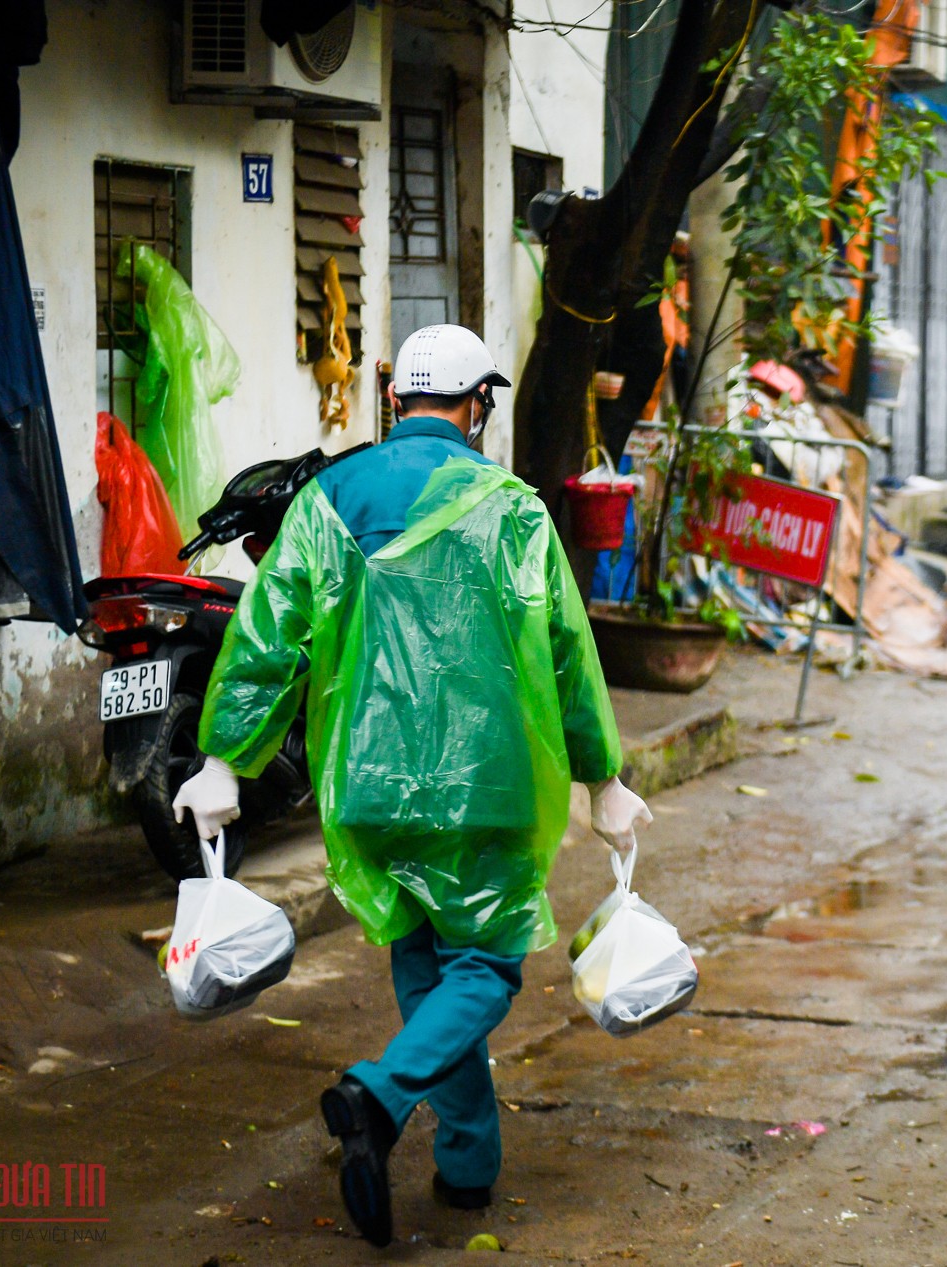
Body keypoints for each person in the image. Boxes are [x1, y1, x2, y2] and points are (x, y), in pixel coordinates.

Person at [170, 324, 653, 1247]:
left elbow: (268, 637)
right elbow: (565, 651)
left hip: (367, 784)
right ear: (477, 407)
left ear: (394, 402)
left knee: (425, 959)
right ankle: (379, 1096)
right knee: (487, 964)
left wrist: (225, 757)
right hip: (489, 781)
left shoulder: (327, 500)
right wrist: (604, 778)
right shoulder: (511, 507)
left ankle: (467, 1168)